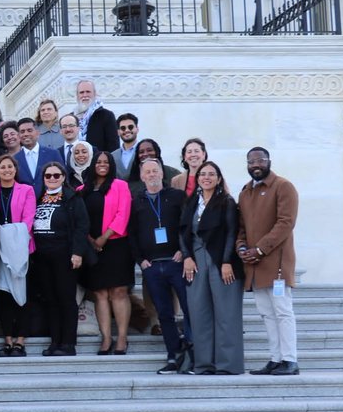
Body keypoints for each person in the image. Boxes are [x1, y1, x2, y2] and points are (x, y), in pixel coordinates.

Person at [238, 148, 301, 376]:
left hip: (276, 263)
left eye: (260, 160)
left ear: (269, 162)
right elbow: (242, 228)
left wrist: (260, 249)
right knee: (266, 312)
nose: (256, 164)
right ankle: (275, 359)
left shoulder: (283, 186)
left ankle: (290, 360)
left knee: (283, 311)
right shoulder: (245, 192)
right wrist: (242, 247)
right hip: (254, 264)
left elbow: (286, 223)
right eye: (251, 161)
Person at [180, 161, 245, 375]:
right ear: (197, 178)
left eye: (211, 174)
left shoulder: (226, 202)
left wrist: (227, 262)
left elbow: (231, 232)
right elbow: (182, 232)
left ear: (218, 178)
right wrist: (187, 257)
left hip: (220, 261)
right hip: (196, 262)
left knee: (227, 314)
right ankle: (204, 364)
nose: (206, 177)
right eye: (203, 174)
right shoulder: (191, 202)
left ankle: (227, 365)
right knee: (200, 313)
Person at [129, 159, 193, 374]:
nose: (152, 174)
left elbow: (186, 225)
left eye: (155, 170)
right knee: (164, 314)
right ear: (142, 176)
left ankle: (194, 354)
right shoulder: (137, 201)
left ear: (161, 174)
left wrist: (183, 251)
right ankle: (173, 355)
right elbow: (132, 233)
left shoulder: (176, 196)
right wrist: (140, 260)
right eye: (147, 172)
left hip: (176, 263)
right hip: (153, 267)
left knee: (188, 308)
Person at [78, 150, 134, 355]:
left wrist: (104, 236)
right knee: (100, 293)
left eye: (106, 162)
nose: (102, 165)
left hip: (117, 245)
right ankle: (106, 338)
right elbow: (79, 218)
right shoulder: (82, 189)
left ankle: (121, 338)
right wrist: (91, 239)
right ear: (93, 165)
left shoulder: (121, 186)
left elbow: (123, 213)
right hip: (92, 246)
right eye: (98, 162)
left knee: (118, 291)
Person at [31, 162, 90, 357]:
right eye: (48, 176)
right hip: (43, 257)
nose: (52, 179)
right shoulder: (39, 197)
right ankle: (55, 341)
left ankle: (68, 343)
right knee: (51, 300)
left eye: (57, 175)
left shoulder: (73, 197)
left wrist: (77, 252)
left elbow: (82, 225)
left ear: (64, 177)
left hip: (65, 255)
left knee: (66, 299)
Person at [0, 154, 37, 357]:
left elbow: (28, 219)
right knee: (5, 295)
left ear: (15, 170)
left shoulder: (26, 190)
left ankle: (20, 341)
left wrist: (12, 238)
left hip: (22, 249)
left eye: (10, 167)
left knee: (23, 296)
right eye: (2, 167)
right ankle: (8, 340)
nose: (7, 170)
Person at [74, 79, 119, 153]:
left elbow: (113, 146)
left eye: (88, 92)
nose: (85, 95)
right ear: (77, 96)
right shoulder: (72, 118)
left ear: (94, 94)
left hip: (99, 163)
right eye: (81, 92)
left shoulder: (106, 115)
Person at [15, 117, 61, 186]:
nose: (26, 134)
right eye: (22, 132)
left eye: (29, 130)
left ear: (37, 133)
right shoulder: (15, 159)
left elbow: (63, 178)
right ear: (18, 136)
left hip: (50, 196)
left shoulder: (53, 154)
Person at [112, 113, 140, 180]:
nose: (127, 130)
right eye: (123, 128)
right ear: (118, 132)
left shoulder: (144, 152)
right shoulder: (112, 156)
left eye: (130, 127)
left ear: (137, 129)